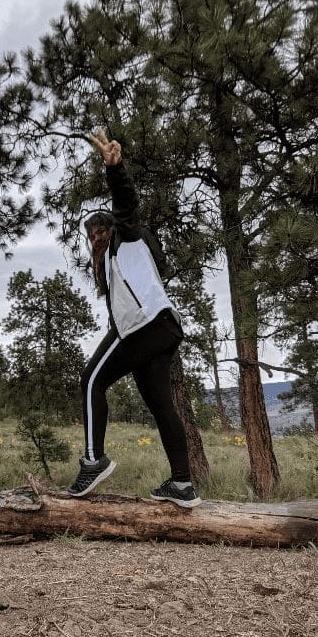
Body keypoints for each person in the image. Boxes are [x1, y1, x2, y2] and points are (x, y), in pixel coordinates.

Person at [66, 130, 201, 508]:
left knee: (91, 379)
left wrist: (115, 168)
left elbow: (126, 204)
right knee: (161, 405)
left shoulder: (128, 236)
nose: (97, 236)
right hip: (160, 329)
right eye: (92, 234)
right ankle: (182, 485)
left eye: (102, 229)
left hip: (146, 325)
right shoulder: (109, 265)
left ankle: (94, 460)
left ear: (114, 227)